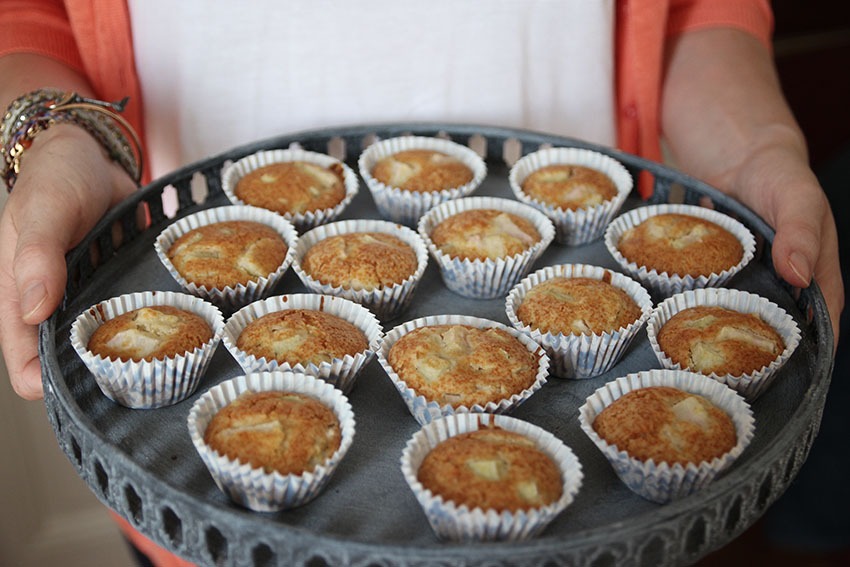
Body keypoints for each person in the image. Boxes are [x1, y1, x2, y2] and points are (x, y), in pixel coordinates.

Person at [0, 1, 843, 566]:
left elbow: (702, 11)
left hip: (570, 248)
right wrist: (53, 140)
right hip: (214, 390)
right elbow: (28, 18)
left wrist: (752, 149)